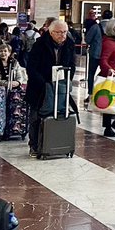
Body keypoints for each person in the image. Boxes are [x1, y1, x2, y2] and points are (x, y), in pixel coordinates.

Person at [24, 20, 76, 156]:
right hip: (39, 87)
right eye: (59, 32)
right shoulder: (39, 45)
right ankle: (34, 145)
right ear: (51, 32)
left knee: (59, 114)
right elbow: (31, 67)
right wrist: (43, 83)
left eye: (65, 32)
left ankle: (55, 144)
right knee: (36, 116)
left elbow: (72, 64)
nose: (62, 35)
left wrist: (67, 80)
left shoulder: (69, 44)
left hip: (60, 86)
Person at [98, 18, 115, 137]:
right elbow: (103, 59)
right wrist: (110, 70)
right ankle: (108, 127)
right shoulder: (108, 42)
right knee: (108, 101)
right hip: (111, 76)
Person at [85, 15, 103, 96]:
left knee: (91, 73)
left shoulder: (96, 27)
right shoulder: (113, 26)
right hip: (109, 54)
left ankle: (91, 93)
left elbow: (87, 39)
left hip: (95, 53)